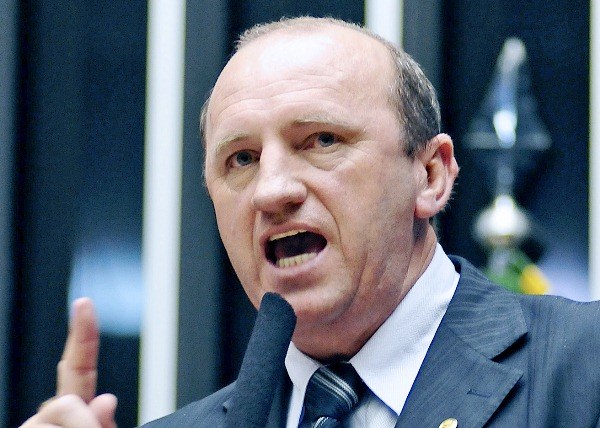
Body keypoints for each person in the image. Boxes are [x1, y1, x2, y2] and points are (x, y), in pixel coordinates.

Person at [20, 16, 600, 428]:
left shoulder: (583, 369)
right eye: (241, 159)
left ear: (429, 176)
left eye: (322, 140)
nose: (272, 190)